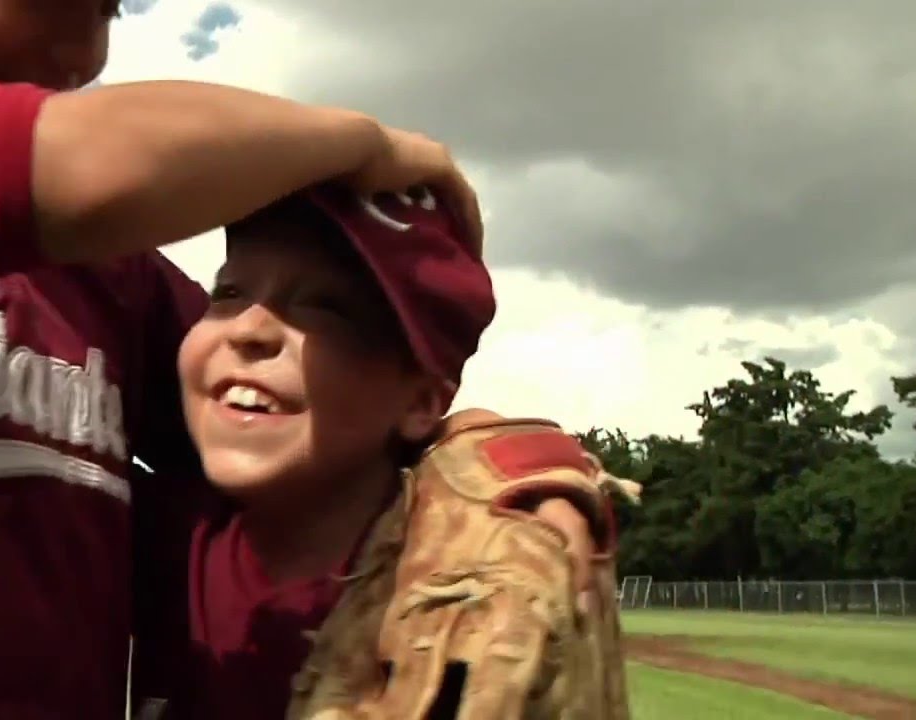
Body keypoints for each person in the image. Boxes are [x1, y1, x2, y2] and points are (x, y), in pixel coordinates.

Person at [0, 2, 603, 719]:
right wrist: (366, 144)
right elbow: (77, 166)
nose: (100, 22)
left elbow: (323, 418)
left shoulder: (110, 283)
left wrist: (514, 457)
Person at [129, 186, 631, 719]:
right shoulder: (151, 529)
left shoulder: (462, 573)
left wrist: (527, 465)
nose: (250, 328)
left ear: (420, 401)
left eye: (324, 309)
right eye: (229, 292)